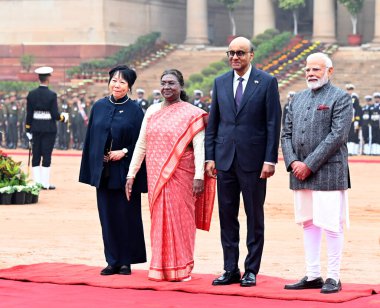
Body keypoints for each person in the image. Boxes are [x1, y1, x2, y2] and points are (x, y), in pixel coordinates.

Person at [205, 36, 282, 287]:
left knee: (254, 216)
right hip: (224, 161)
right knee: (227, 217)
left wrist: (270, 159)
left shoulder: (267, 82)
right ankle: (230, 269)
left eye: (240, 53)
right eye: (231, 53)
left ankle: (251, 270)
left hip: (254, 162)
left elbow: (273, 123)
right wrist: (210, 156)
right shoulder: (220, 82)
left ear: (251, 55)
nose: (235, 57)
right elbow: (213, 123)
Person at [126, 69, 216, 282]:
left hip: (182, 176)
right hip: (156, 176)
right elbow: (141, 144)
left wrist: (199, 177)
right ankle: (160, 267)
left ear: (181, 86)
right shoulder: (152, 111)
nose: (166, 87)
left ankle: (182, 268)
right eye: (163, 83)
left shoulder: (192, 113)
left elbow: (199, 147)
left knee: (181, 221)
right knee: (159, 221)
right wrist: (131, 173)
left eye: (171, 83)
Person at [281, 52, 352, 294]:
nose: (311, 74)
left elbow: (337, 136)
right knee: (308, 223)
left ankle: (333, 276)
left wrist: (308, 164)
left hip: (328, 171)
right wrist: (292, 162)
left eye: (317, 70)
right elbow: (286, 134)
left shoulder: (341, 98)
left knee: (331, 224)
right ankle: (313, 274)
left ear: (329, 72)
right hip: (299, 172)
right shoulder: (296, 99)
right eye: (308, 70)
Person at [79, 65, 148, 276]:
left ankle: (126, 261)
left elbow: (142, 140)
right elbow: (91, 137)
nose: (117, 85)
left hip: (125, 170)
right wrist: (94, 160)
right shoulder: (99, 106)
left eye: (122, 82)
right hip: (104, 171)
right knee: (107, 216)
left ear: (129, 87)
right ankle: (112, 260)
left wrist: (125, 151)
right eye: (114, 81)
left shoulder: (136, 110)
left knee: (126, 215)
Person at [25, 67, 68, 189]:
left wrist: (28, 129)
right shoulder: (52, 95)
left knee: (36, 154)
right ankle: (45, 183)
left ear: (38, 78)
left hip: (35, 128)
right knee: (47, 155)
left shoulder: (31, 94)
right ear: (48, 78)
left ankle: (36, 183)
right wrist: (63, 118)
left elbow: (29, 114)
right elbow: (55, 115)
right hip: (49, 129)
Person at [345, 84, 362, 155]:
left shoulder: (354, 98)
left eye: (350, 90)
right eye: (348, 90)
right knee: (346, 136)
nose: (349, 91)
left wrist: (357, 121)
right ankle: (347, 151)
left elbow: (357, 109)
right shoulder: (345, 97)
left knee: (352, 135)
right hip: (346, 120)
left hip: (352, 120)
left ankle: (351, 151)